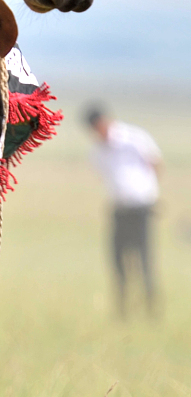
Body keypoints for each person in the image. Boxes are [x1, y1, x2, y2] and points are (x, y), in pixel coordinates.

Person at [84, 107, 161, 317]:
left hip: (141, 206)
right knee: (118, 260)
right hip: (119, 208)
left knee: (144, 260)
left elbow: (155, 162)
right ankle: (122, 311)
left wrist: (148, 190)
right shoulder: (97, 151)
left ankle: (152, 309)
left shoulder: (134, 138)